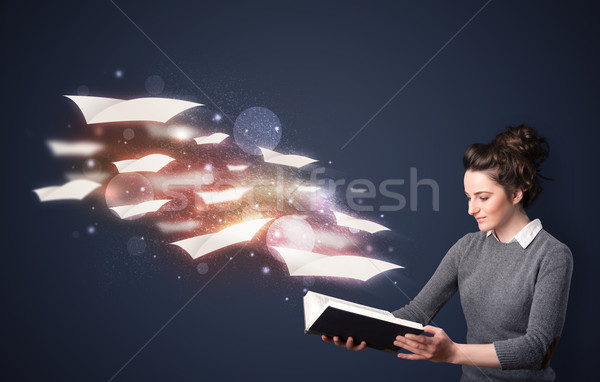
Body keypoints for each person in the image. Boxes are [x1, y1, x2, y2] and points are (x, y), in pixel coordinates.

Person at [322, 125, 573, 381]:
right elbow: (416, 313)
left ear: (517, 193)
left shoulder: (552, 255)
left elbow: (537, 350)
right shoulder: (467, 247)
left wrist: (454, 353)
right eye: (468, 197)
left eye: (483, 198)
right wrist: (362, 329)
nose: (471, 209)